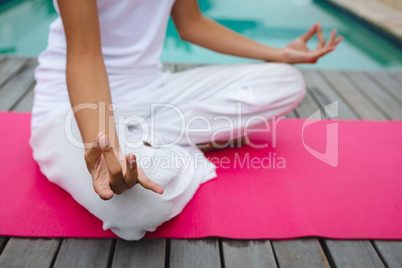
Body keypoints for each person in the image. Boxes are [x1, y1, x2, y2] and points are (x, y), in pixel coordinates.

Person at [29, 0, 342, 240]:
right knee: (142, 209)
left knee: (285, 80)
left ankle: (151, 146)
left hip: (155, 95)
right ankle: (156, 146)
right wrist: (104, 146)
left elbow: (192, 23)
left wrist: (279, 53)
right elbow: (85, 55)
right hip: (75, 109)